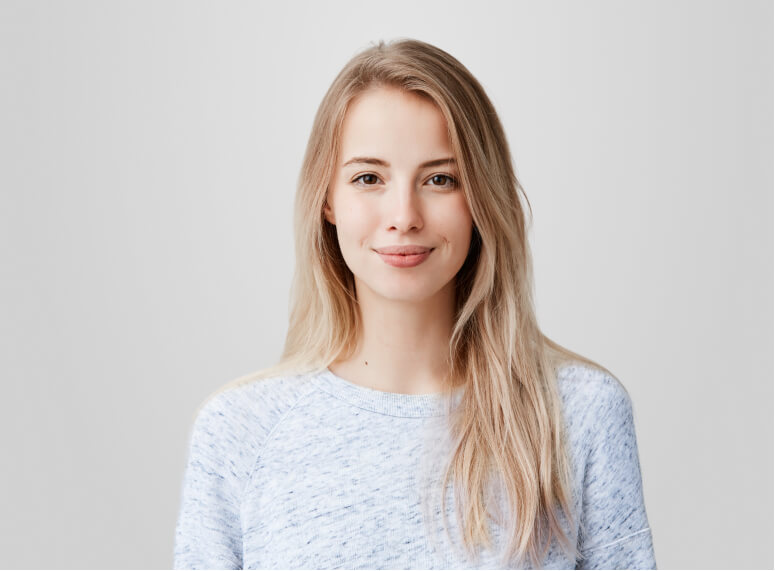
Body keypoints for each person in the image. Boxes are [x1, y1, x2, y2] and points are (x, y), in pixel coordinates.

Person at [173, 38, 656, 570]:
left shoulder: (579, 415)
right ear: (327, 199)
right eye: (368, 178)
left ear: (481, 199)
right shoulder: (240, 430)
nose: (404, 216)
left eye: (439, 179)